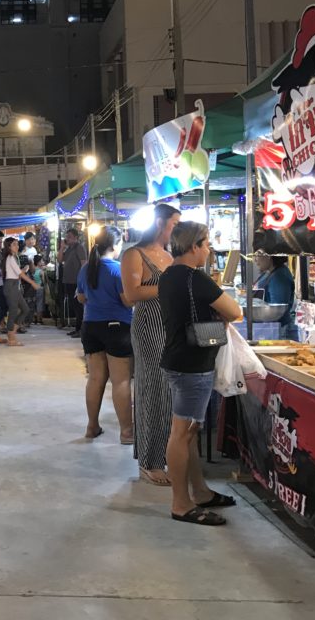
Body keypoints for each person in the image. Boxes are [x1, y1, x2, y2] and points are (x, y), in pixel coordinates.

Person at [158, 222, 242, 525]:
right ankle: (181, 503)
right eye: (206, 244)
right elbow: (235, 311)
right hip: (193, 364)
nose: (209, 250)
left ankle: (200, 492)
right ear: (194, 246)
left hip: (178, 358)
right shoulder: (196, 279)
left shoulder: (168, 275)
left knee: (188, 432)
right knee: (182, 433)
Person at [121, 203, 181, 486]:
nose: (176, 230)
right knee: (152, 388)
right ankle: (150, 460)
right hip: (148, 326)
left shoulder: (169, 255)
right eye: (173, 224)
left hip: (169, 326)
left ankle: (163, 453)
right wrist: (173, 287)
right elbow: (132, 293)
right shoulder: (134, 254)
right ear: (160, 223)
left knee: (168, 390)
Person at [76, 226, 133, 443]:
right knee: (121, 381)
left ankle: (92, 426)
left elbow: (81, 298)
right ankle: (127, 432)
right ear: (114, 246)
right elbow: (127, 300)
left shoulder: (86, 269)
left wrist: (97, 299)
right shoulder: (117, 270)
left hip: (91, 326)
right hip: (117, 327)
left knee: (96, 378)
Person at [3, 237, 38, 346]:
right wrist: (32, 282)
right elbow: (20, 274)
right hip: (11, 286)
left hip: (14, 286)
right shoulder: (10, 257)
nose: (17, 246)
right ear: (8, 247)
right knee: (13, 312)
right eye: (14, 244)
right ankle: (11, 338)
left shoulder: (14, 257)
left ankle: (11, 333)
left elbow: (18, 273)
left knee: (25, 309)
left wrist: (23, 271)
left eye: (17, 244)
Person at [255, 252, 297, 340]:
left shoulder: (279, 276)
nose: (255, 259)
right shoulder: (270, 272)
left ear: (268, 255)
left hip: (278, 329)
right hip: (270, 326)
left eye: (257, 255)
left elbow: (277, 309)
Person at [61, 228, 88, 335]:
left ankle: (80, 329)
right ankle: (77, 328)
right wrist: (62, 248)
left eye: (70, 237)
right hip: (68, 280)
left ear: (76, 238)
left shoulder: (79, 248)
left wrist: (82, 280)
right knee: (73, 305)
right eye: (67, 237)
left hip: (76, 281)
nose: (67, 239)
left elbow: (84, 263)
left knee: (78, 305)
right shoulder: (68, 249)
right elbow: (60, 260)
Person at [31, 255, 46, 325]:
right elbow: (43, 281)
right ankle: (39, 319)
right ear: (38, 262)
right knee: (40, 303)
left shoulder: (33, 270)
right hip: (40, 288)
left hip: (33, 289)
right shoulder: (41, 271)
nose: (43, 262)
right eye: (42, 261)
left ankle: (33, 319)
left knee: (33, 303)